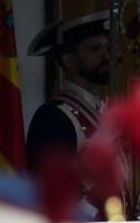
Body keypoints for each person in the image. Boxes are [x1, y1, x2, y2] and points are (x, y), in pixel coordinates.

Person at [26, 10, 110, 173]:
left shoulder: (104, 112)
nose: (106, 55)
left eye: (106, 47)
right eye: (95, 49)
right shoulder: (53, 117)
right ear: (69, 61)